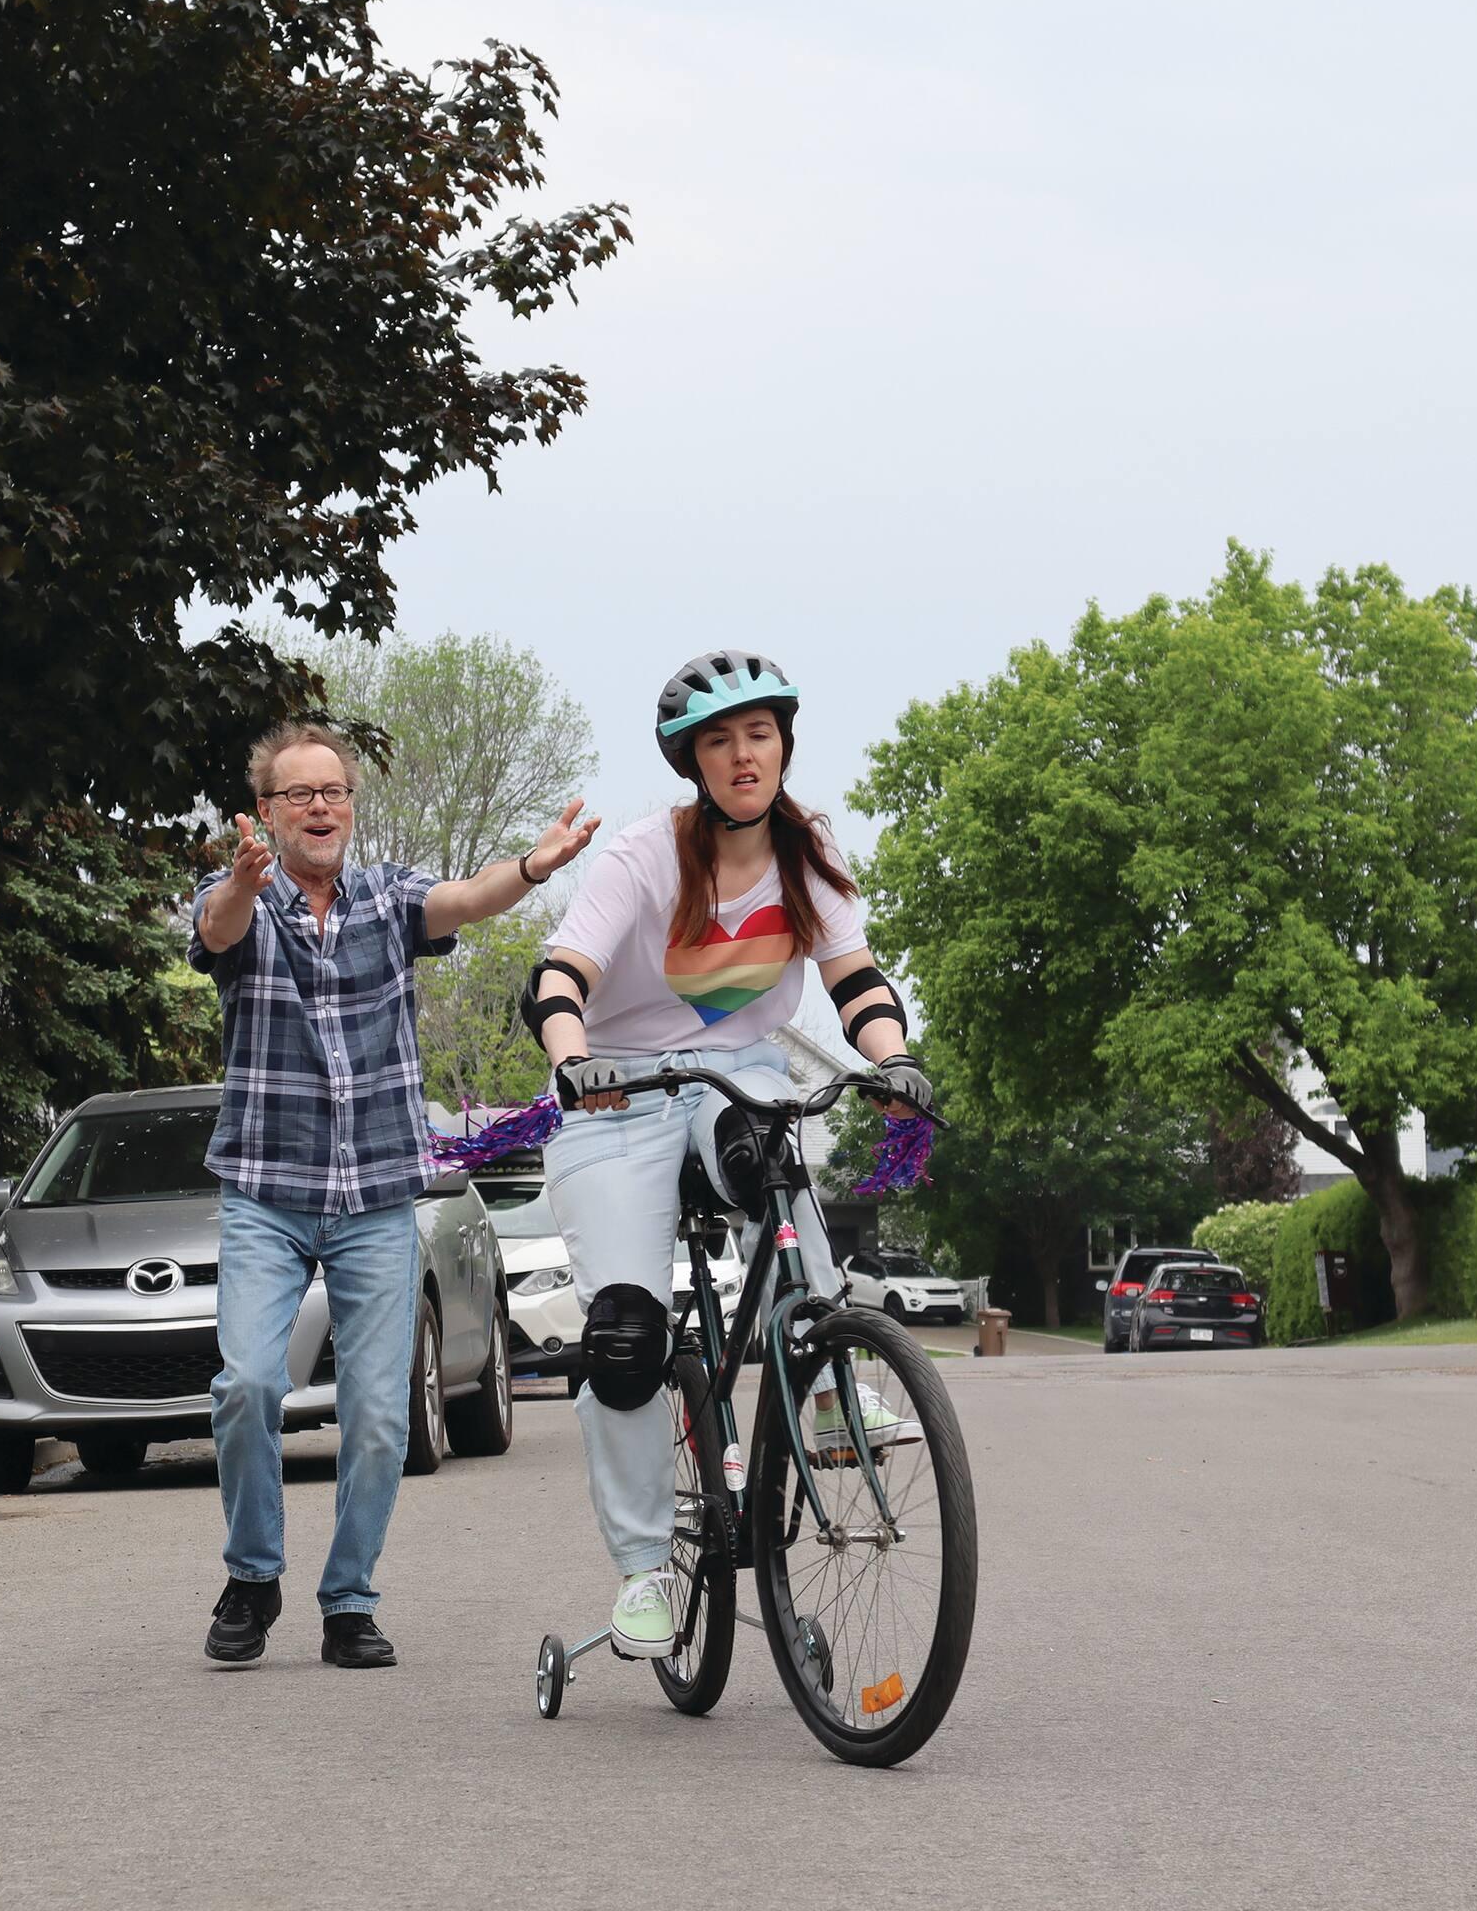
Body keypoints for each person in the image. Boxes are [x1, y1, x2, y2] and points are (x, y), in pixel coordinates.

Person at [523, 650, 935, 1658]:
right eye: (719, 740)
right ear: (691, 761)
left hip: (733, 1076)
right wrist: (572, 1061)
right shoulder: (644, 855)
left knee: (767, 1158)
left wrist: (893, 1062)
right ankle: (640, 1571)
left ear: (783, 744)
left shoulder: (807, 856)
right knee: (624, 1336)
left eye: (758, 733)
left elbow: (856, 981)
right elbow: (559, 973)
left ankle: (827, 1377)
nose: (742, 755)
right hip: (615, 1092)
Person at [190, 718, 598, 1668]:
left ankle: (348, 1600)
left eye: (334, 792)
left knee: (379, 1414)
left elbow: (464, 899)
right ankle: (253, 1576)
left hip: (376, 1195)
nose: (321, 807)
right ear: (268, 813)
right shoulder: (243, 903)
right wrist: (242, 886)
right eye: (300, 794)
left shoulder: (384, 899)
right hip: (267, 1192)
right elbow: (217, 927)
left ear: (350, 809)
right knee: (248, 1383)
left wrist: (533, 867)